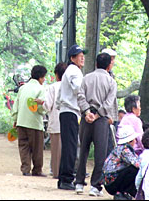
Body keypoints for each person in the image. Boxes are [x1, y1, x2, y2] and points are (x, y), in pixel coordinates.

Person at [75, 52, 117, 197]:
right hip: (101, 120)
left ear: (96, 64)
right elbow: (109, 103)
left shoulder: (86, 78)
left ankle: (79, 183)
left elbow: (80, 96)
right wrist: (98, 115)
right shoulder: (111, 82)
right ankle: (95, 186)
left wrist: (87, 112)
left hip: (86, 118)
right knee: (100, 154)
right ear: (108, 65)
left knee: (83, 151)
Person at [56, 44, 87, 191]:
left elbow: (60, 94)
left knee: (69, 145)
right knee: (70, 146)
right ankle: (66, 179)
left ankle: (64, 178)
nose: (82, 57)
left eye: (83, 55)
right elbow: (78, 88)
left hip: (66, 111)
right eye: (79, 55)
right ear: (72, 58)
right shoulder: (74, 71)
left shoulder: (70, 71)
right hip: (70, 111)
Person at [12, 65, 47, 177]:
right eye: (44, 77)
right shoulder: (41, 89)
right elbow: (42, 109)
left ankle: (25, 169)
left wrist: (15, 119)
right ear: (41, 77)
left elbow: (16, 106)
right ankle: (37, 170)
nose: (44, 79)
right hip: (34, 123)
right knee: (37, 148)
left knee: (23, 146)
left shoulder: (23, 88)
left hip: (21, 122)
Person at [35, 62, 67, 178]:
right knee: (67, 149)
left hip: (56, 121)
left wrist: (41, 102)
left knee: (56, 151)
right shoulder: (71, 86)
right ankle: (67, 172)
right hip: (71, 122)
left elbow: (48, 106)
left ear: (56, 74)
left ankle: (57, 172)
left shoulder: (53, 87)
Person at [102, 124, 141, 200]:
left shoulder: (120, 148)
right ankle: (122, 192)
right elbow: (138, 164)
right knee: (134, 170)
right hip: (112, 184)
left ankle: (125, 193)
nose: (135, 141)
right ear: (130, 141)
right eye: (134, 139)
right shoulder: (125, 150)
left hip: (110, 182)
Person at [101, 48, 119, 157]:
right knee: (106, 145)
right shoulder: (104, 77)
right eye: (111, 59)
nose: (112, 62)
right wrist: (108, 115)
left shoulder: (111, 75)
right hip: (106, 116)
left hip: (112, 115)